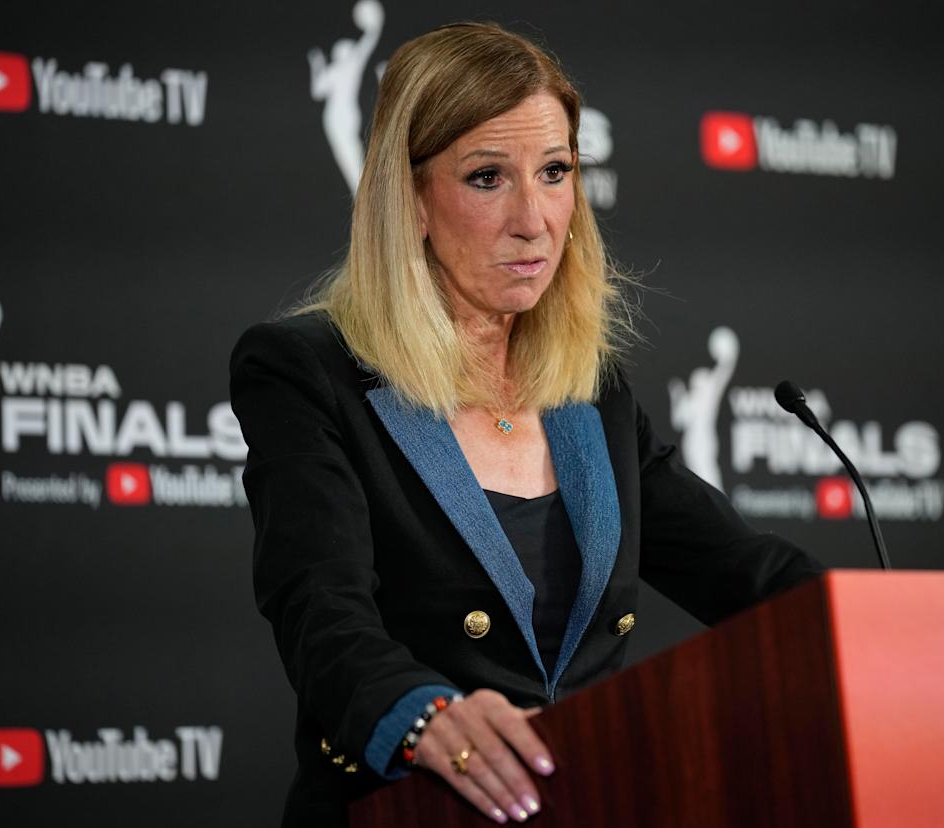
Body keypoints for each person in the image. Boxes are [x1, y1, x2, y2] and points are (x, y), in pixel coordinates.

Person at [230, 22, 822, 827]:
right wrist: (427, 717)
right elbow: (321, 612)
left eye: (554, 173)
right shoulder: (307, 371)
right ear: (411, 201)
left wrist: (888, 636)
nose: (535, 219)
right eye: (486, 178)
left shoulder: (587, 388)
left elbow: (745, 574)